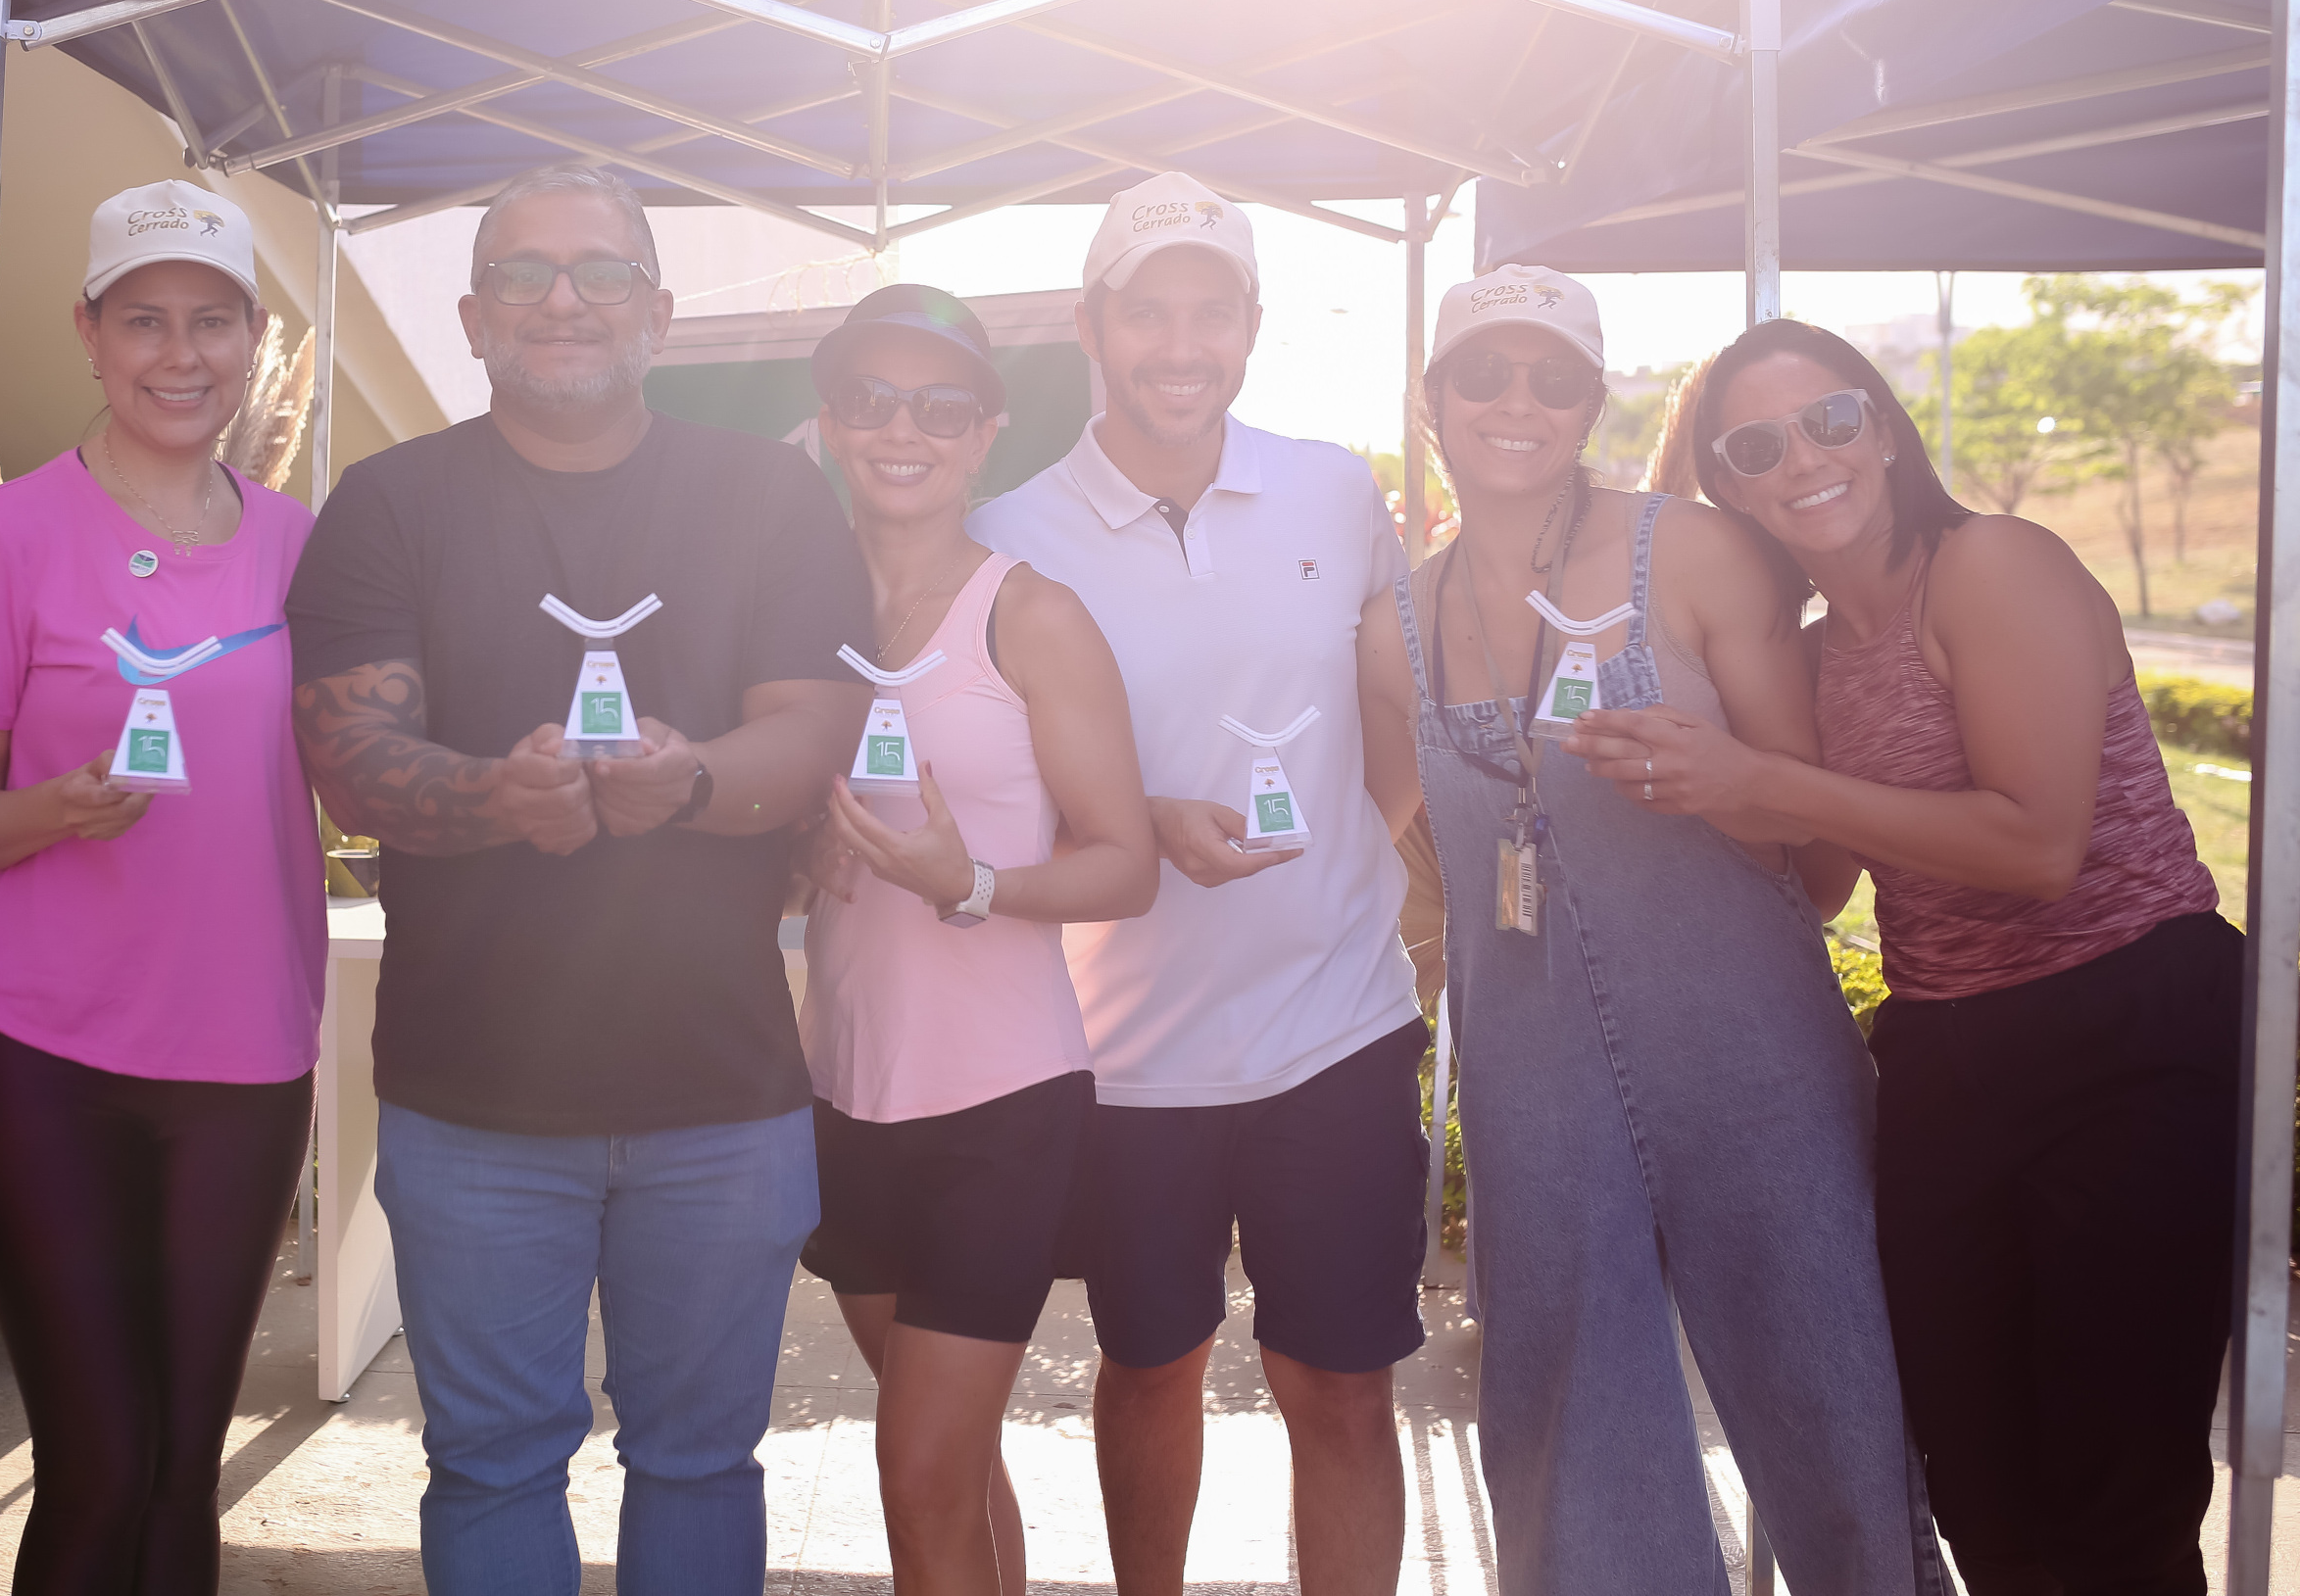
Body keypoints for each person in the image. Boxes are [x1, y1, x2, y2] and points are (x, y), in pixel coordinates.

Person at [1567, 315, 2236, 1593]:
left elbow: (2038, 845)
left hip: (2131, 1027)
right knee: (1973, 1478)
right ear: (1728, 488)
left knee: (2114, 1493)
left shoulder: (1991, 564)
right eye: (1755, 447)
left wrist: (1763, 778)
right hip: (1947, 1053)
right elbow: (1819, 882)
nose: (1803, 459)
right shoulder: (1817, 655)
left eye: (1830, 418)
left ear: (1882, 427)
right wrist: (1678, 773)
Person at [285, 162, 874, 1594]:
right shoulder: (389, 502)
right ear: (473, 318)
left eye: (602, 272)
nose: (564, 300)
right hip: (474, 1097)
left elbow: (817, 732)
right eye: (525, 274)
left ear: (657, 313)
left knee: (701, 1460)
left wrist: (691, 780)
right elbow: (350, 757)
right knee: (492, 1462)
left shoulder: (767, 494)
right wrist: (495, 798)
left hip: (721, 1091)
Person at [1357, 269, 1942, 1595]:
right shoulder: (1395, 629)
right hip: (1533, 1085)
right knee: (1573, 1434)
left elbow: (1818, 853)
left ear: (1592, 404)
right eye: (1484, 374)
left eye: (1554, 377)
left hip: (1755, 1058)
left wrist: (1716, 787)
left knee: (1837, 1406)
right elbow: (1366, 847)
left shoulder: (1691, 552)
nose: (1518, 401)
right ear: (1432, 398)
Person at [967, 172, 1429, 1596]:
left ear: (1252, 326)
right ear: (1091, 326)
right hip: (1124, 1056)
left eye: (1211, 312)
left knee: (1341, 1388)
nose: (1182, 345)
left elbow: (1391, 724)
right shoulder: (1006, 530)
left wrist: (1343, 862)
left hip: (1336, 1028)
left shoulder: (1335, 488)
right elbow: (996, 781)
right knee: (1151, 1365)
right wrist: (1142, 821)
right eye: (1148, 312)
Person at [0, 178, 327, 1594]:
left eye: (213, 320)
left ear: (254, 340)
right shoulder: (8, 534)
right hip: (41, 1057)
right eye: (144, 320)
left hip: (246, 1054)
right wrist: (54, 812)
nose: (180, 353)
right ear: (88, 333)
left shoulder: (301, 546)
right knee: (97, 1470)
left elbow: (359, 764)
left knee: (182, 1474)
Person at [793, 283, 1157, 1596]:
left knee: (917, 1471)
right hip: (844, 1092)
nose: (905, 429)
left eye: (941, 407)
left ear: (985, 432)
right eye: (872, 399)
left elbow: (1127, 864)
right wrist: (798, 845)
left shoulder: (1031, 614)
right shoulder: (799, 614)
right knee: (946, 1465)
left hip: (1000, 1105)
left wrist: (976, 881)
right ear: (833, 421)